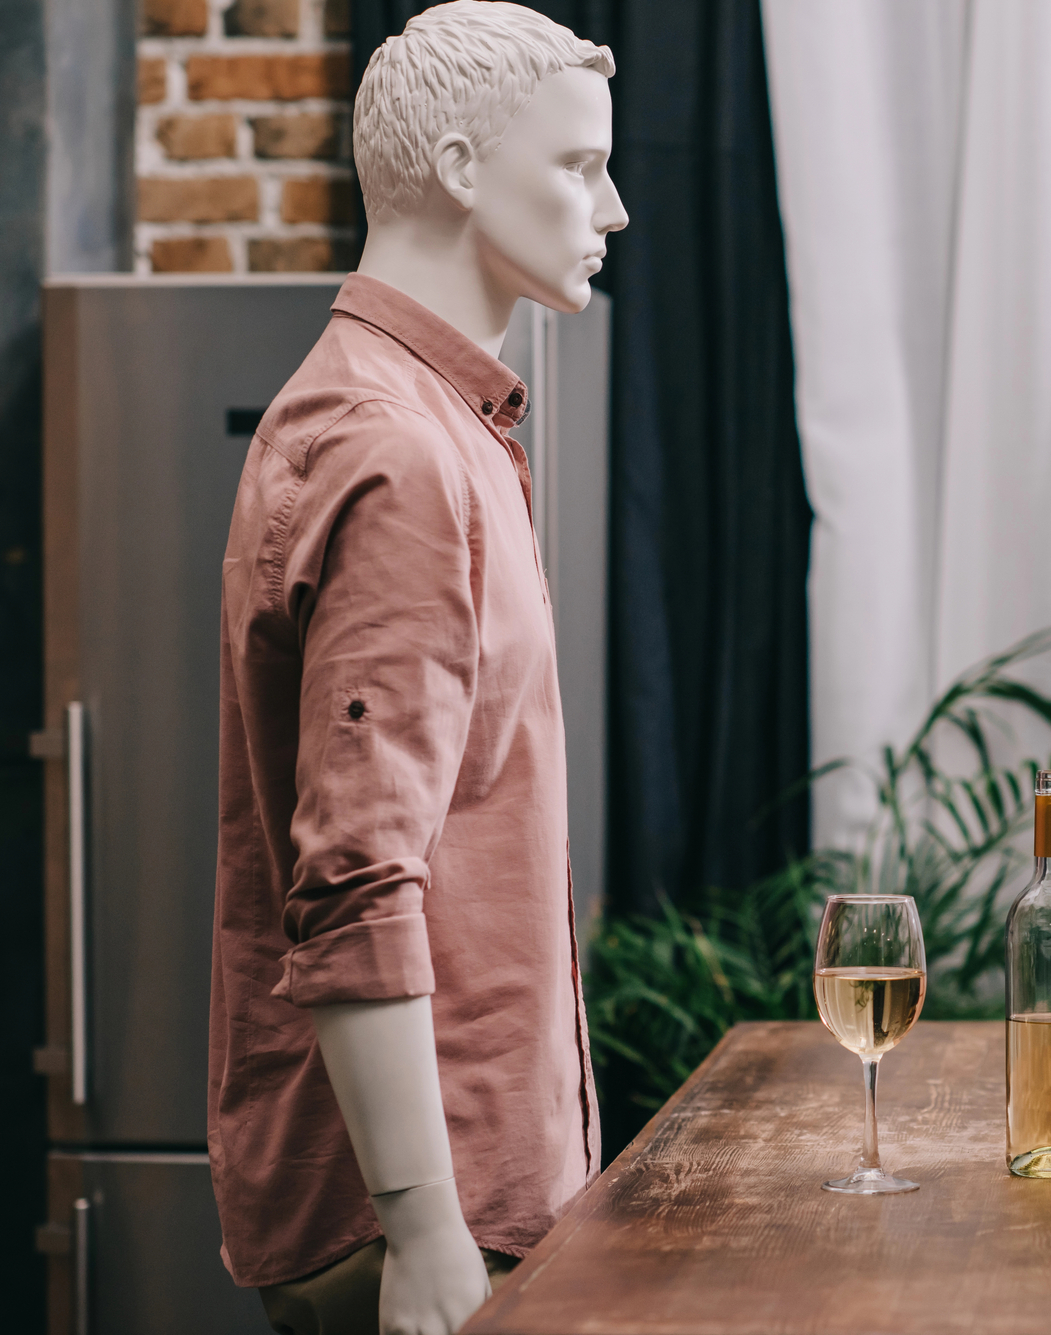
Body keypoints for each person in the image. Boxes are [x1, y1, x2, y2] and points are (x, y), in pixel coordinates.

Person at [209, 5, 627, 1334]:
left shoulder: (430, 419)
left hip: (465, 1195)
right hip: (420, 1227)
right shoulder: (397, 452)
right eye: (578, 167)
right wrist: (427, 1225)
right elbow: (357, 875)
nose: (610, 208)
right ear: (458, 166)